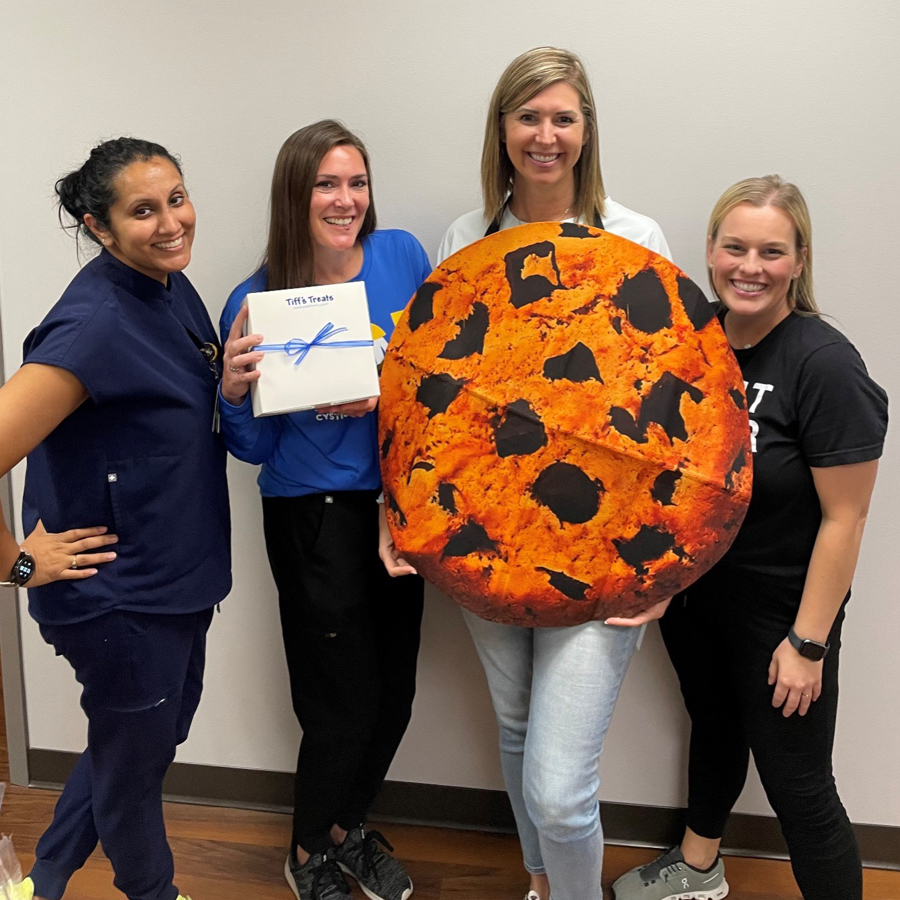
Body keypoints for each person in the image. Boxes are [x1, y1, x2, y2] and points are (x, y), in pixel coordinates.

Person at [404, 47, 672, 900]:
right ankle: (542, 883)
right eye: (529, 117)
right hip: (492, 530)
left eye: (562, 117)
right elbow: (434, 397)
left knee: (560, 789)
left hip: (604, 547)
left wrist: (669, 557)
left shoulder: (635, 240)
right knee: (516, 721)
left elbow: (676, 410)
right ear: (503, 130)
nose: (545, 135)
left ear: (587, 130)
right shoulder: (466, 240)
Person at [612, 176, 888, 900]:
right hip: (699, 597)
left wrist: (807, 644)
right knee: (713, 724)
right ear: (709, 252)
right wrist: (657, 577)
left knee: (799, 788)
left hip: (782, 614)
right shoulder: (685, 336)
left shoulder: (823, 363)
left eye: (771, 251)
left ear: (799, 260)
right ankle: (698, 869)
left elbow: (846, 518)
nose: (750, 266)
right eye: (734, 247)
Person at [0, 138, 231, 900]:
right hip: (120, 602)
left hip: (178, 580)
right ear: (99, 227)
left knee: (135, 747)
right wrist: (16, 562)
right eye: (143, 210)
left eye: (176, 197)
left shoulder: (169, 286)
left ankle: (42, 884)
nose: (171, 222)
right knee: (135, 776)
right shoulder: (94, 325)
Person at [219, 120, 429, 900]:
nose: (346, 201)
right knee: (339, 703)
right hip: (313, 513)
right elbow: (249, 447)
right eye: (327, 185)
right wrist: (234, 392)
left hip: (397, 506)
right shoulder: (254, 301)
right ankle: (309, 849)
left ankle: (348, 830)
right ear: (295, 196)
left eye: (357, 182)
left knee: (396, 693)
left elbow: (445, 367)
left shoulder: (404, 256)